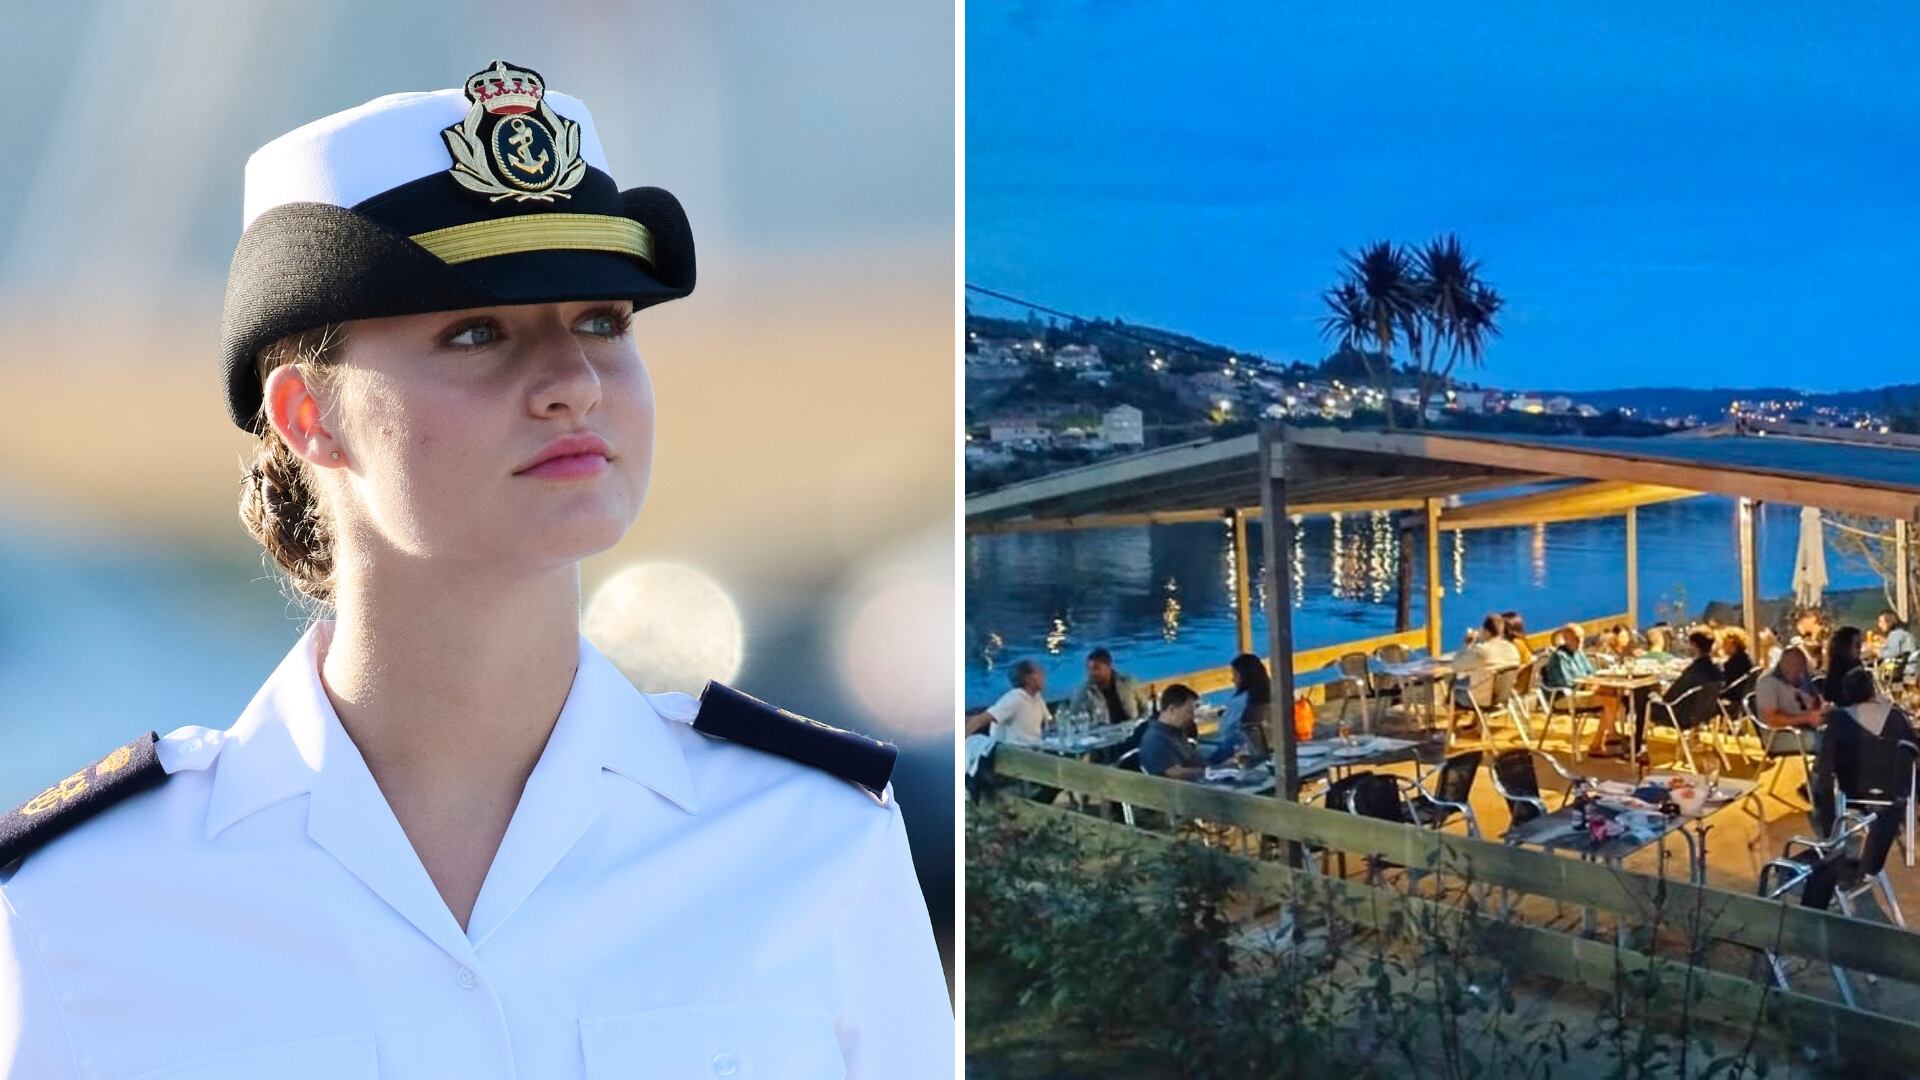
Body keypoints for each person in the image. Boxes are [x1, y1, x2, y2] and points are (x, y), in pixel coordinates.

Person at [0, 63, 950, 1077]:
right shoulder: (83, 903)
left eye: (603, 322)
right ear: (308, 417)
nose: (573, 384)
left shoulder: (814, 840)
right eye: (477, 331)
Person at [1808, 667, 1919, 889]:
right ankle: (1873, 864)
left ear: (1846, 693)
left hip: (1853, 791)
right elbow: (1913, 750)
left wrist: (1826, 810)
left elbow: (1825, 765)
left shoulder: (1839, 720)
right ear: (1872, 690)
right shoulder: (1895, 716)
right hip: (1895, 791)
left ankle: (1839, 848)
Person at [1754, 645, 1825, 755]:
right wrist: (1806, 718)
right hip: (1780, 736)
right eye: (1797, 670)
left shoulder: (1800, 678)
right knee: (1826, 742)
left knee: (1843, 734)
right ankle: (1822, 771)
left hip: (1806, 728)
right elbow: (1771, 720)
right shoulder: (1767, 682)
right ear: (1784, 665)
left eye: (1802, 669)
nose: (1800, 674)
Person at [1451, 613, 1522, 719]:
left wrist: (1467, 644)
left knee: (1453, 690)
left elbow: (1456, 665)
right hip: (1503, 696)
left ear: (1487, 632)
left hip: (1483, 700)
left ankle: (1450, 733)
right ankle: (1477, 726)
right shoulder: (1512, 648)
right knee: (1477, 681)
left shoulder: (1482, 651)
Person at [1207, 654, 1273, 764]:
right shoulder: (1271, 694)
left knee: (1204, 759)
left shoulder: (1240, 701)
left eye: (1235, 675)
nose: (1232, 679)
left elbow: (1225, 728)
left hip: (1240, 747)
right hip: (1267, 746)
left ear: (1244, 676)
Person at [968, 659, 1051, 743]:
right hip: (1012, 751)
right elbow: (981, 720)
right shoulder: (1015, 698)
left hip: (1033, 749)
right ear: (1028, 679)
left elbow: (1049, 722)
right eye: (1039, 672)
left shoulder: (1037, 698)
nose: (1043, 675)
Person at [1140, 685, 1210, 780]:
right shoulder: (1155, 739)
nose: (1192, 717)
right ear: (1171, 709)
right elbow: (1175, 773)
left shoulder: (1176, 731)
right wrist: (1210, 773)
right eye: (1189, 712)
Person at [1071, 647, 1149, 723]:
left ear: (1109, 666)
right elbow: (1077, 719)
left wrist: (1140, 725)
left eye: (1096, 668)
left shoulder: (1128, 683)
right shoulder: (1084, 692)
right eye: (1089, 669)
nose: (1092, 673)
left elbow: (1145, 708)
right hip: (1102, 734)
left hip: (1131, 729)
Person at [1822, 625, 1865, 703]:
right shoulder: (1843, 675)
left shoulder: (1856, 664)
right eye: (1857, 645)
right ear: (1845, 647)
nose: (1860, 650)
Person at [1718, 627, 1757, 702]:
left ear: (1732, 644)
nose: (1722, 646)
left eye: (1724, 643)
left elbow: (1725, 684)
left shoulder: (1733, 664)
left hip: (1732, 699)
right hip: (1742, 697)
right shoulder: (1745, 659)